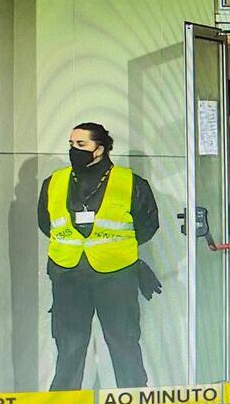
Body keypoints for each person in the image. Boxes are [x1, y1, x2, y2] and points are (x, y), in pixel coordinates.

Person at [38, 122, 159, 390]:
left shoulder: (131, 183)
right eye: (72, 144)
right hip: (68, 274)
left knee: (124, 344)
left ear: (100, 149)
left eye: (81, 144)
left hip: (116, 276)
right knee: (69, 349)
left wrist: (114, 249)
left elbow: (148, 226)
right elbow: (46, 224)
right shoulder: (54, 182)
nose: (74, 149)